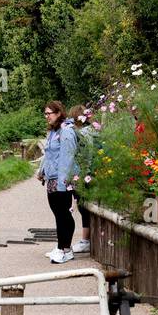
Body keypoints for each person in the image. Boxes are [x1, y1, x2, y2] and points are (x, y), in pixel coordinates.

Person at [36, 101, 79, 263]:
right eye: (45, 114)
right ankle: (62, 246)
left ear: (59, 113)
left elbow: (67, 159)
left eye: (49, 113)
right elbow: (48, 154)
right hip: (52, 179)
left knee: (64, 215)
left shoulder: (66, 132)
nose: (47, 116)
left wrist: (63, 183)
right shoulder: (54, 132)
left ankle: (65, 249)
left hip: (62, 181)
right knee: (58, 214)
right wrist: (42, 172)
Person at [66, 104, 92, 255]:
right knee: (83, 207)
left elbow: (82, 155)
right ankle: (85, 240)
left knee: (83, 206)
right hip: (85, 173)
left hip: (82, 174)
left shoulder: (82, 133)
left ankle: (85, 241)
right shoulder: (90, 131)